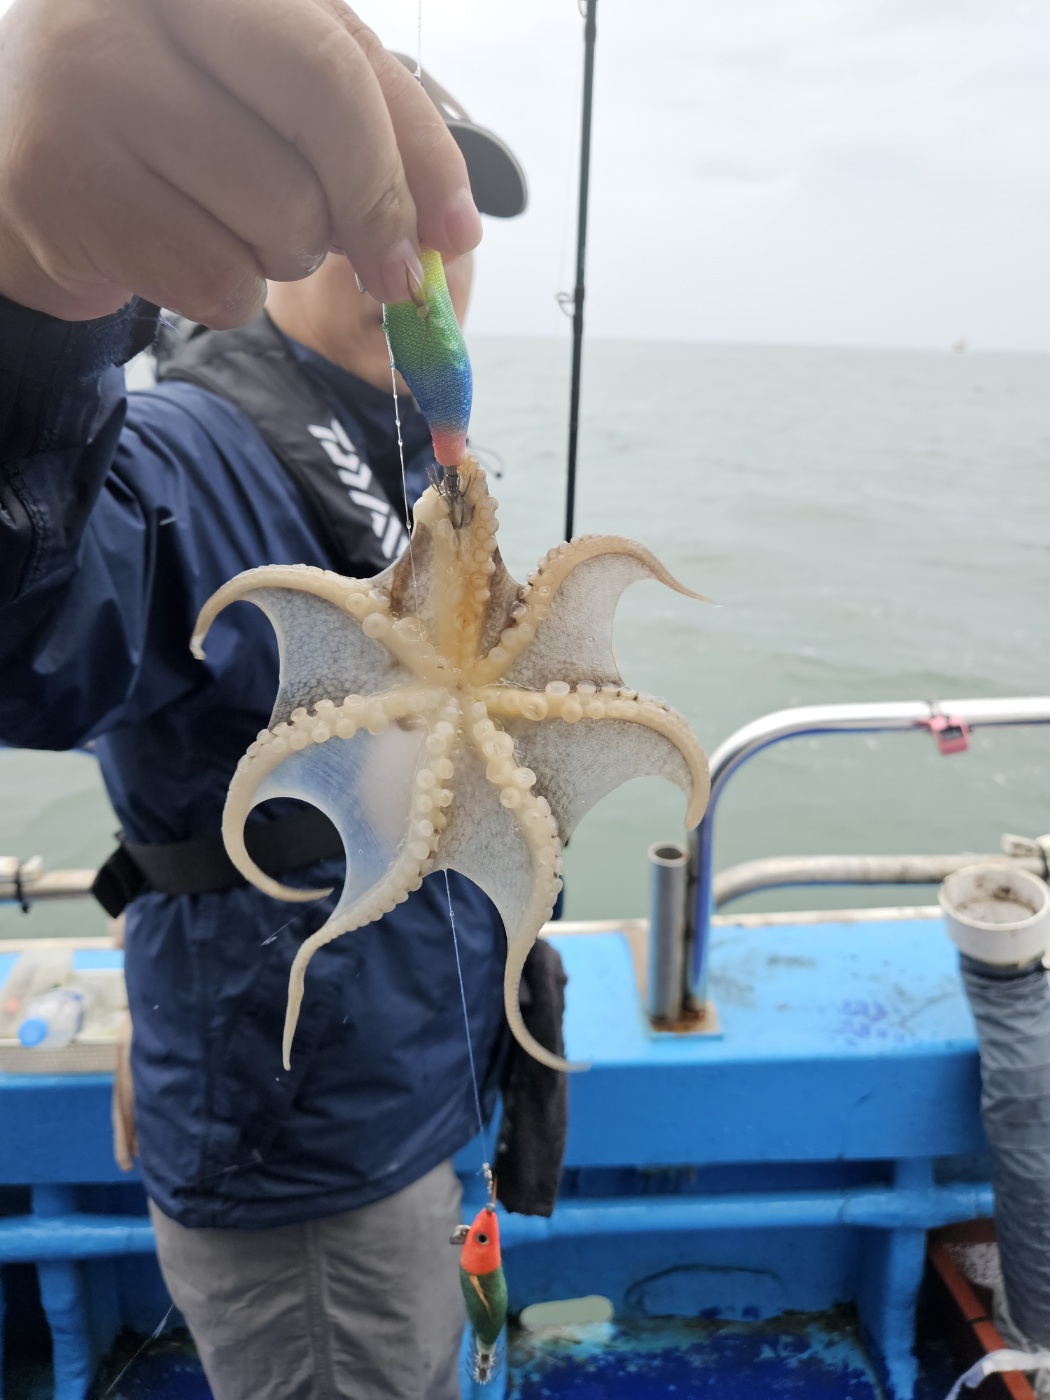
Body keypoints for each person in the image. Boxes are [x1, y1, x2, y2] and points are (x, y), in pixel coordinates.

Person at [0, 2, 537, 1396]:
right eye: (365, 211)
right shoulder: (195, 447)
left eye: (449, 216)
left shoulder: (423, 473)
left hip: (415, 1080)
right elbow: (35, 626)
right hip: (304, 1154)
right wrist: (32, 291)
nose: (417, 252)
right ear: (275, 228)